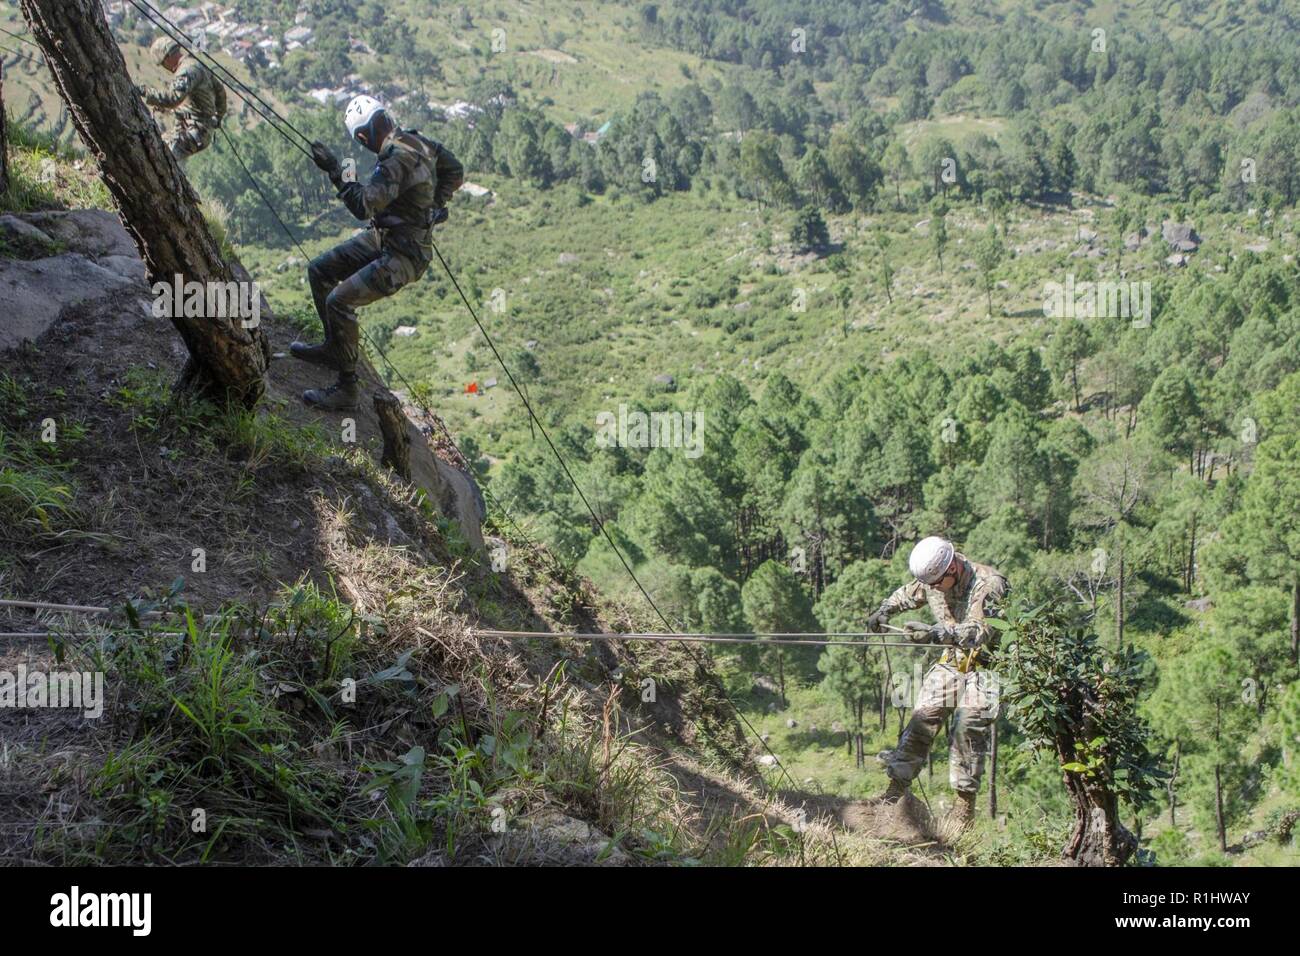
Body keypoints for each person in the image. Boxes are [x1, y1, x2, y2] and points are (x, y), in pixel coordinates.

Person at [294, 95, 464, 411]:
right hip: (387, 239)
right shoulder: (417, 140)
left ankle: (346, 389)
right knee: (320, 270)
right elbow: (455, 170)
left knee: (339, 301)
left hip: (404, 256)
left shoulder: (394, 161)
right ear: (384, 117)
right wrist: (435, 206)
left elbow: (362, 205)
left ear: (362, 137)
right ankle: (334, 348)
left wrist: (335, 170)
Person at [866, 535, 1009, 831]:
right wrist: (885, 610)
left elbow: (981, 632)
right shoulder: (935, 577)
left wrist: (936, 633)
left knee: (968, 728)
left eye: (935, 584)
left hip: (989, 666)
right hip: (954, 660)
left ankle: (963, 809)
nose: (931, 590)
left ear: (952, 569)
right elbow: (911, 592)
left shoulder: (989, 585)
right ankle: (895, 793)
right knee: (922, 719)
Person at [137, 37, 225, 164]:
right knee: (153, 145)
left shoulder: (186, 71)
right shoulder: (196, 64)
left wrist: (145, 92)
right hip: (198, 130)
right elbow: (220, 92)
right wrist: (218, 117)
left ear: (167, 58)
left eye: (163, 64)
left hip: (193, 131)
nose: (165, 68)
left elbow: (173, 98)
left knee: (158, 157)